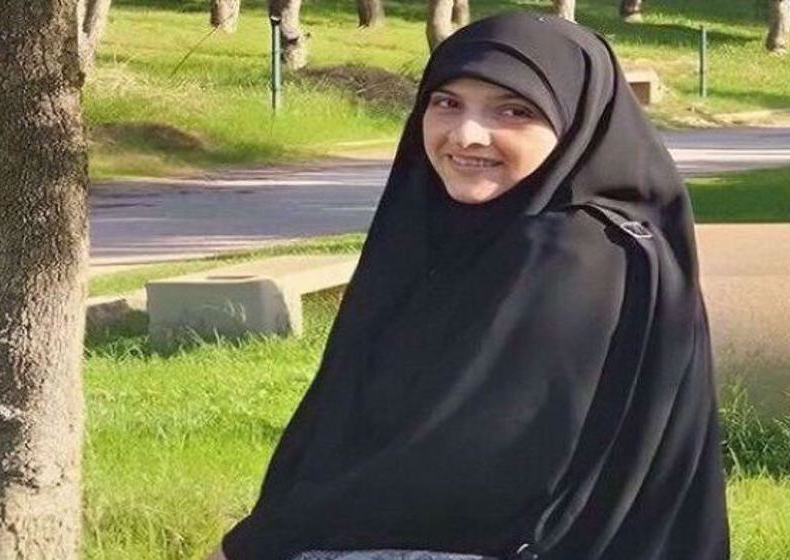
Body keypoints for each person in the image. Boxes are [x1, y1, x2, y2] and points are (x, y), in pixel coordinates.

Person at [209, 11, 731, 560]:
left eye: (514, 110)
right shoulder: (462, 235)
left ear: (573, 120)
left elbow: (451, 464)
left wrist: (256, 543)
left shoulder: (576, 253)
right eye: (446, 102)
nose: (466, 134)